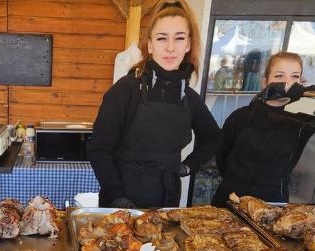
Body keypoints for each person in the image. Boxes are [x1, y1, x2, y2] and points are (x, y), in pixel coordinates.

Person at [88, 0, 221, 208]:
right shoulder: (125, 90)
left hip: (167, 198)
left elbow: (213, 138)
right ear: (150, 45)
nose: (170, 47)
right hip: (120, 198)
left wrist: (188, 166)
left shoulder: (191, 99)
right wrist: (115, 195)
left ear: (188, 44)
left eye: (179, 38)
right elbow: (98, 149)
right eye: (162, 38)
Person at [212, 52, 313, 206]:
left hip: (273, 197)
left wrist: (308, 93)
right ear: (265, 83)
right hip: (233, 193)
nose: (287, 83)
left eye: (294, 77)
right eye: (279, 76)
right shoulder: (240, 117)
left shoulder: (302, 121)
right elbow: (222, 154)